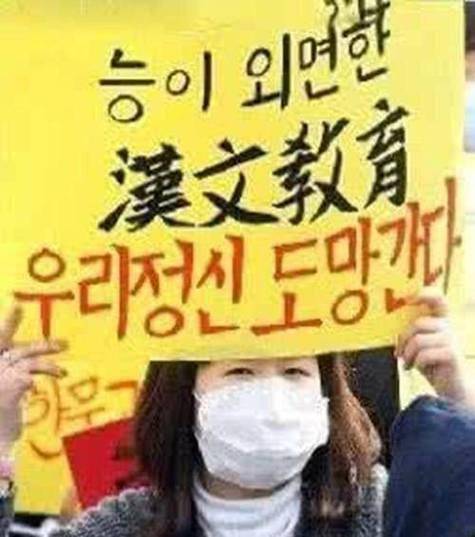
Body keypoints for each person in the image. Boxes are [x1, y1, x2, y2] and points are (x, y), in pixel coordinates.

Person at [0, 289, 469, 537]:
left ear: (327, 397)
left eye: (294, 372)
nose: (272, 396)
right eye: (241, 371)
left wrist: (459, 406)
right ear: (186, 397)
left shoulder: (380, 510)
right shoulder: (127, 526)